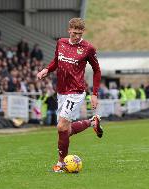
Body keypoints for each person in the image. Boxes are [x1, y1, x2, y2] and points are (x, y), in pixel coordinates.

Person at [37, 17, 103, 172]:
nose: (77, 36)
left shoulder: (88, 48)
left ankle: (60, 164)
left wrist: (94, 94)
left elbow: (97, 70)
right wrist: (47, 69)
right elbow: (56, 62)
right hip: (61, 92)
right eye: (74, 33)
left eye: (80, 33)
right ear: (69, 31)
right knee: (65, 130)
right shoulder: (61, 43)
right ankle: (92, 122)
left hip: (76, 92)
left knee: (61, 126)